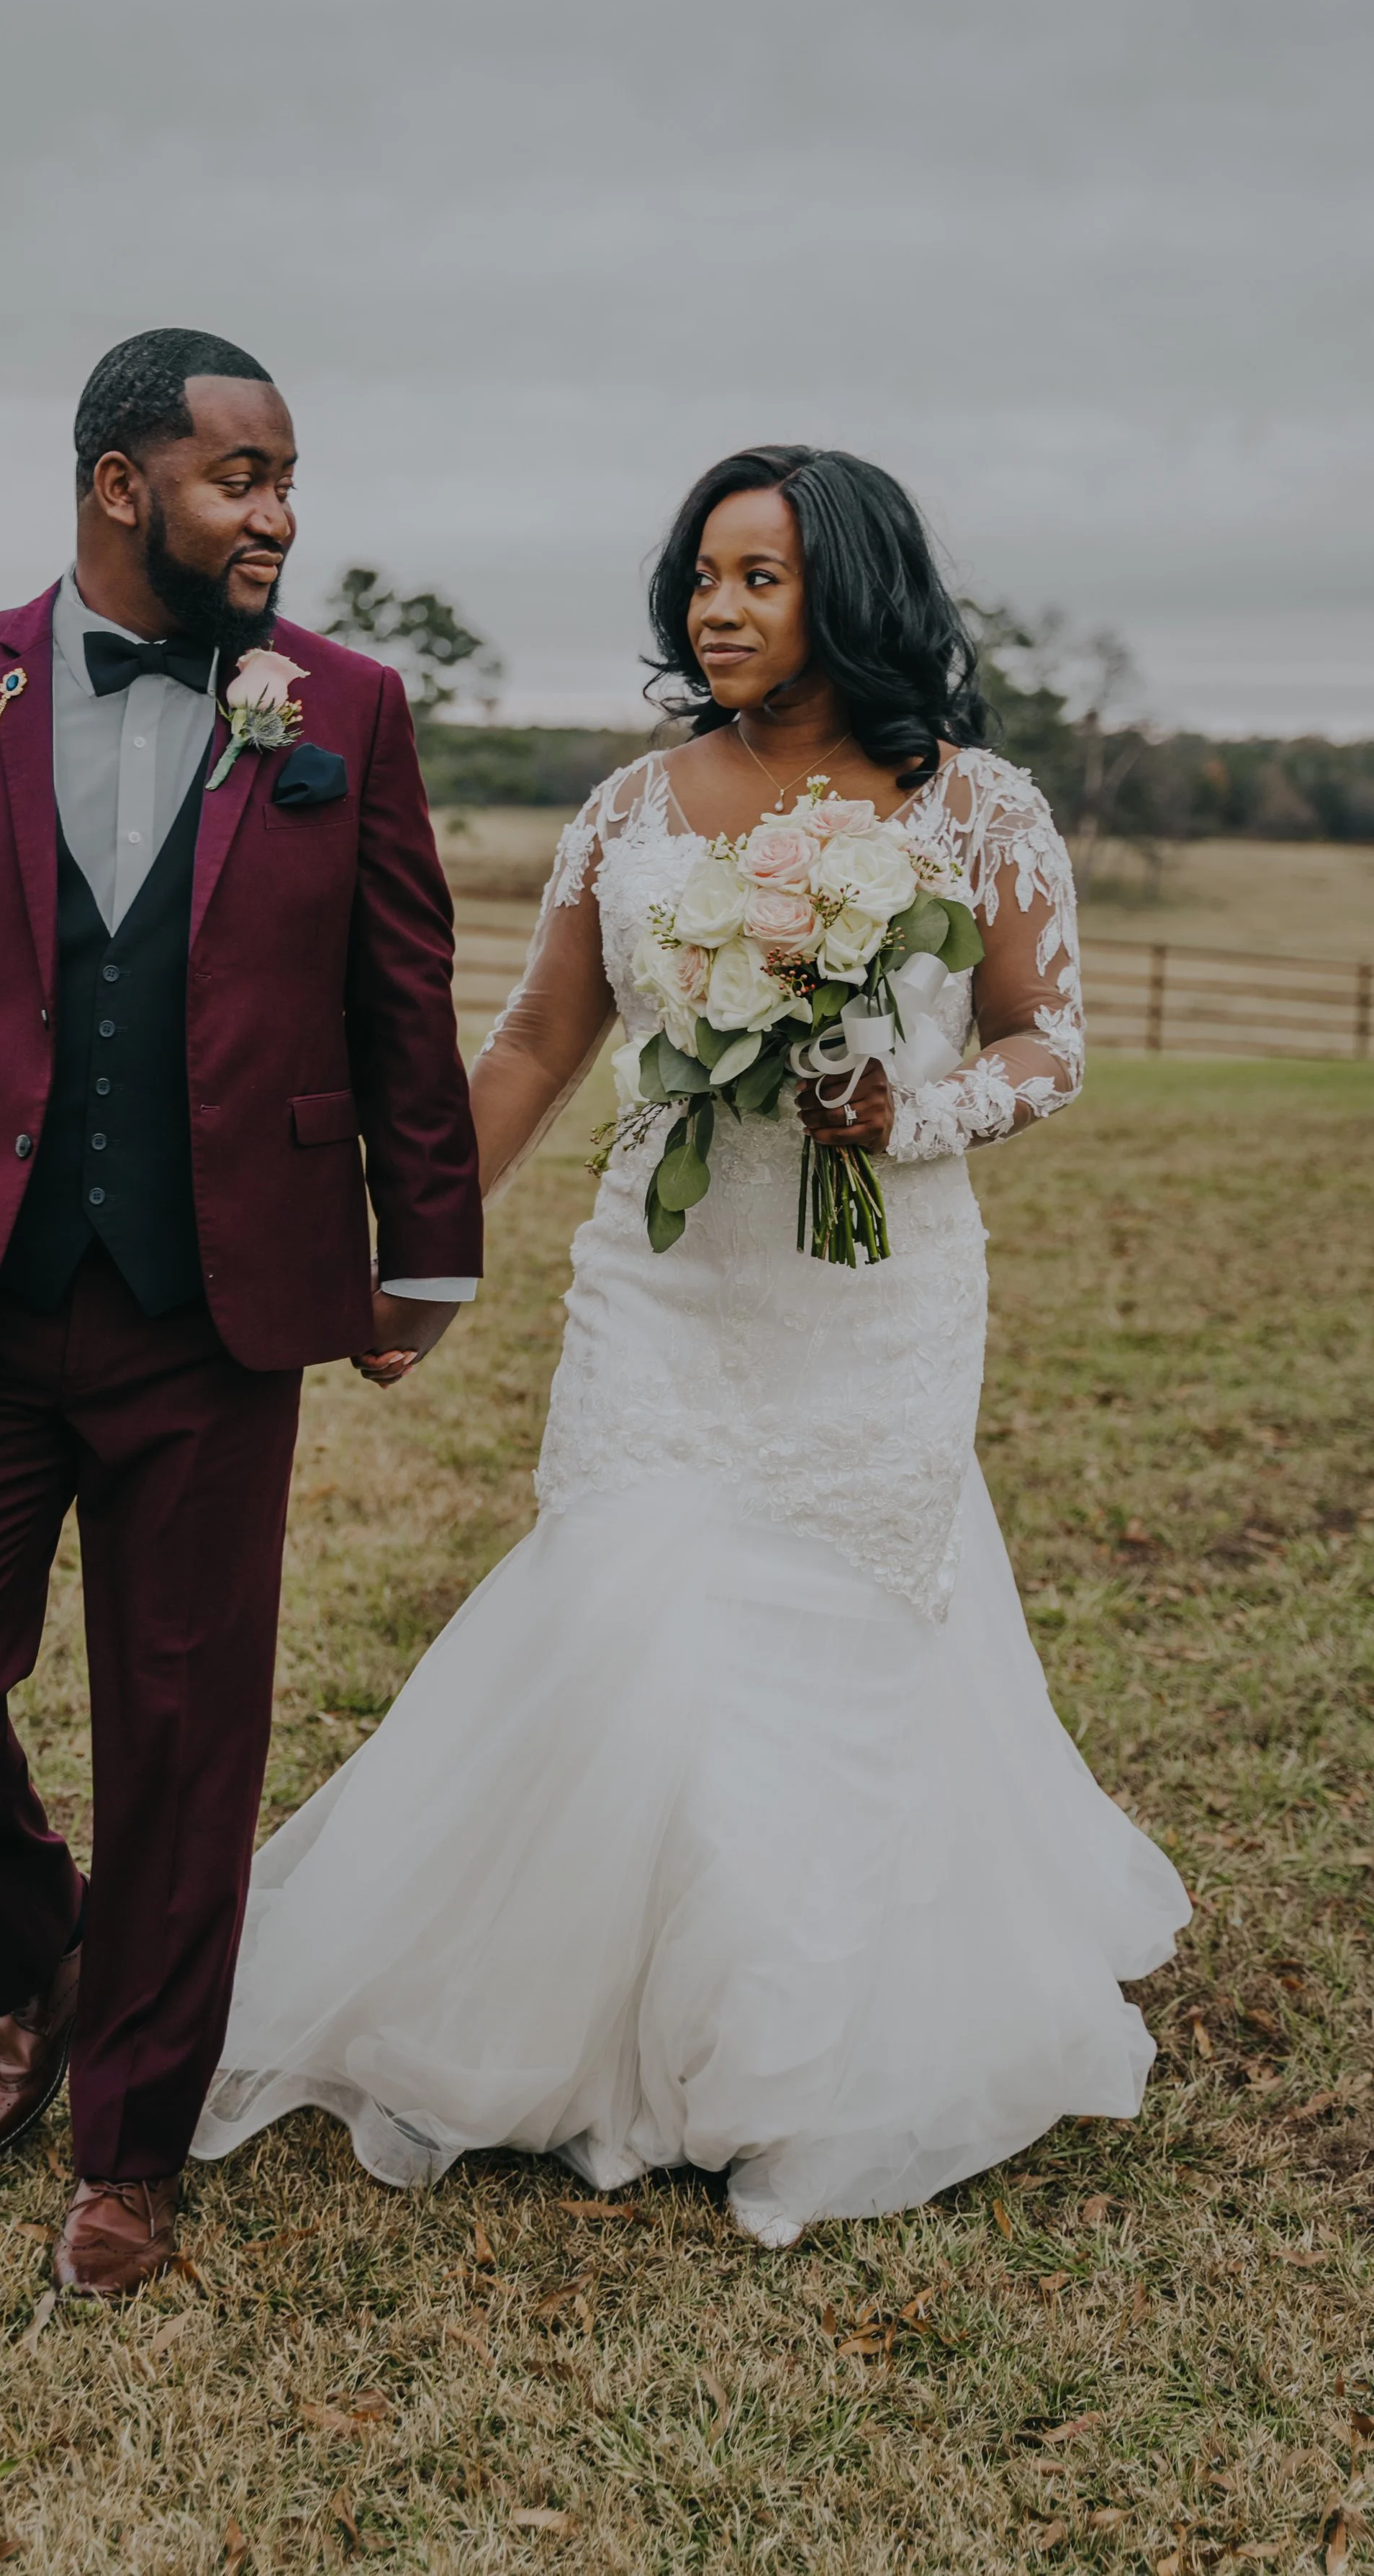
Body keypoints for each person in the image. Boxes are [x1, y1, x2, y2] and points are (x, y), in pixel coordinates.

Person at [191, 445, 1188, 2245]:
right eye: (700, 578)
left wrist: (912, 1114)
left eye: (758, 579)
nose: (714, 611)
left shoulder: (976, 808)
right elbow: (524, 1054)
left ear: (850, 594)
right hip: (657, 1291)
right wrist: (400, 1257)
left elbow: (1048, 1046)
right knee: (627, 1616)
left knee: (825, 1655)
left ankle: (791, 2059)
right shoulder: (630, 809)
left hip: (873, 1300)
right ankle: (586, 2022)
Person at [0, 328, 482, 2297]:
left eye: (290, 478)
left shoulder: (345, 710)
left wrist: (426, 1240)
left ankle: (128, 2143)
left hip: (222, 1307)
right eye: (242, 477)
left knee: (185, 1728)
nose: (278, 514)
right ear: (121, 484)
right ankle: (42, 1950)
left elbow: (402, 979)